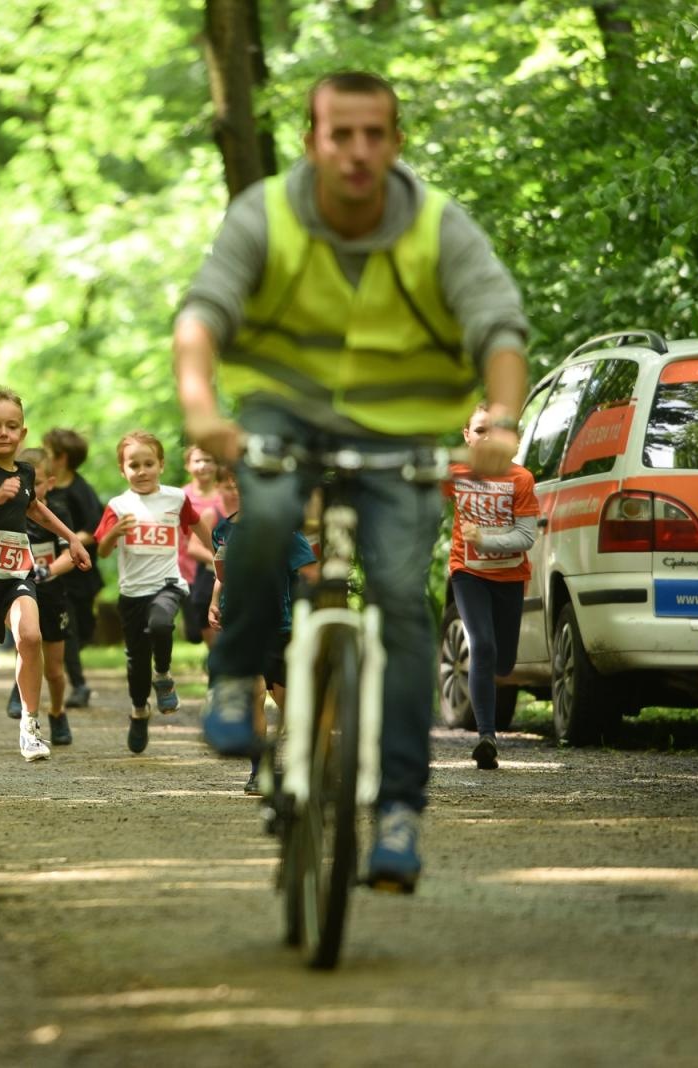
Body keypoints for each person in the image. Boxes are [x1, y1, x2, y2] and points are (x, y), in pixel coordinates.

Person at [174, 70, 528, 891]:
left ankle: (399, 811)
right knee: (264, 514)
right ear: (312, 141)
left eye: (375, 134)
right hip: (284, 413)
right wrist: (201, 408)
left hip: (400, 427)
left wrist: (504, 422)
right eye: (341, 135)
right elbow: (203, 314)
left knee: (401, 603)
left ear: (397, 142)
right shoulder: (266, 213)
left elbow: (498, 327)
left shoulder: (437, 226)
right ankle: (235, 678)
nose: (359, 151)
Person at [0, 388, 92, 761]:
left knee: (30, 636)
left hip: (15, 575)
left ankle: (30, 725)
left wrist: (72, 538)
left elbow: (35, 508)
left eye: (11, 426)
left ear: (23, 433)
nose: (3, 433)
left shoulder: (25, 472)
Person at [94, 431, 215, 754]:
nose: (142, 471)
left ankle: (162, 675)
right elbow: (102, 550)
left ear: (161, 465)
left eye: (149, 463)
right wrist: (114, 533)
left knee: (161, 624)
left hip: (168, 583)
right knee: (136, 661)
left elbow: (197, 525)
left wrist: (217, 552)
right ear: (123, 470)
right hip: (132, 592)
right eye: (134, 465)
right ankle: (139, 711)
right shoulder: (118, 506)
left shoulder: (175, 499)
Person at [205, 464, 320, 793]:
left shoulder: (285, 531)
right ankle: (260, 769)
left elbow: (310, 572)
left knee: (287, 703)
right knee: (253, 694)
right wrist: (215, 601)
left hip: (281, 627)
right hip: (242, 626)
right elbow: (223, 574)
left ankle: (308, 762)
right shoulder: (223, 531)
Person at [446, 403, 538, 771]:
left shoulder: (521, 479)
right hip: (467, 572)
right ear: (467, 436)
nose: (487, 438)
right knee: (481, 646)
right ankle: (487, 737)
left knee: (504, 661)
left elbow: (526, 537)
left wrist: (484, 539)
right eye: (480, 430)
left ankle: (489, 725)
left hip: (509, 577)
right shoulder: (456, 473)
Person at [1, 448, 77, 745]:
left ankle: (57, 711)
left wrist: (46, 571)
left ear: (51, 483)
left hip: (52, 595)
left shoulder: (57, 512)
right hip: (19, 592)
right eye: (25, 483)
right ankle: (20, 694)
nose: (31, 489)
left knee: (55, 670)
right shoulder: (8, 512)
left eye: (39, 483)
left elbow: (70, 555)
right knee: (27, 642)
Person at [42, 428, 104, 709]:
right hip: (55, 574)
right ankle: (79, 685)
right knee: (68, 631)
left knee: (84, 630)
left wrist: (69, 540)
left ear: (62, 458)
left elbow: (95, 528)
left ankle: (74, 676)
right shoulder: (44, 487)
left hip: (81, 573)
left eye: (47, 451)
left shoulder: (81, 490)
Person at [179, 446, 225, 647]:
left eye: (208, 460)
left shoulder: (225, 496)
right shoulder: (180, 496)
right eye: (197, 461)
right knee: (194, 633)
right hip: (186, 570)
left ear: (216, 465)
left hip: (215, 570)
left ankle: (217, 657)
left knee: (216, 619)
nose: (203, 465)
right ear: (187, 466)